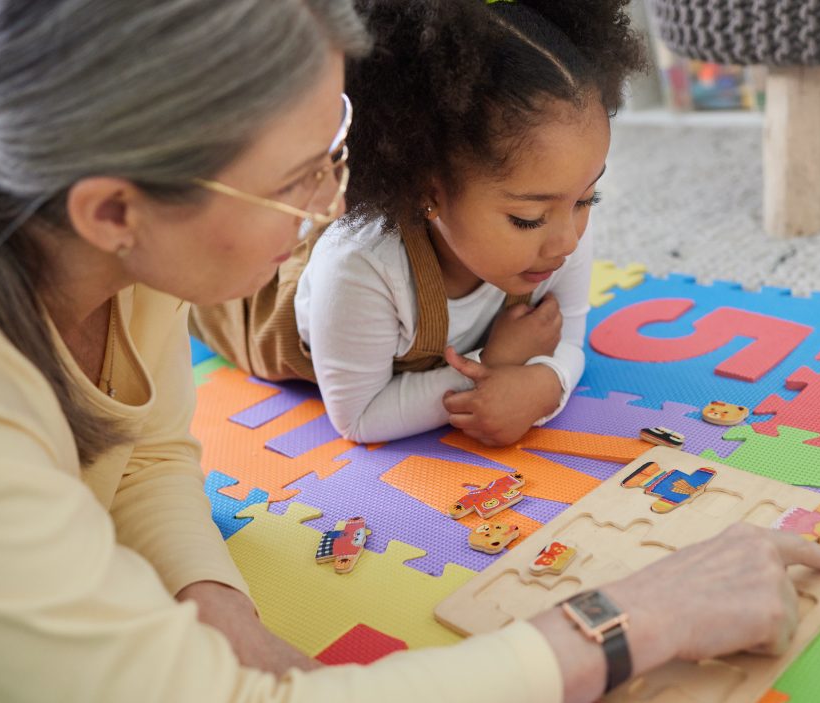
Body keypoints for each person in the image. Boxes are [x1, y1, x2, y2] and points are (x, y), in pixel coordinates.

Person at [0, 1, 820, 702]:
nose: (333, 206)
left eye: (337, 150)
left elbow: (147, 453)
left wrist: (220, 606)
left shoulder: (116, 245)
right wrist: (625, 621)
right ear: (114, 209)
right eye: (296, 181)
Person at [192, 0, 621, 446]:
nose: (568, 241)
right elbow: (358, 418)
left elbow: (568, 343)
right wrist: (494, 363)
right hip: (240, 295)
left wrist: (547, 383)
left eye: (588, 198)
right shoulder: (361, 267)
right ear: (430, 193)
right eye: (526, 219)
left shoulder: (558, 226)